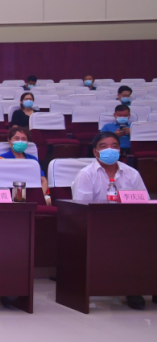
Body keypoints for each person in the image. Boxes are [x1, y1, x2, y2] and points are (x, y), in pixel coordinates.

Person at [71, 132, 147, 310]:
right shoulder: (86, 174)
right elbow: (81, 208)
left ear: (120, 150)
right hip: (96, 225)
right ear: (95, 152)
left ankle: (139, 287)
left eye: (114, 146)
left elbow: (143, 202)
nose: (110, 150)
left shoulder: (132, 173)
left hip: (128, 225)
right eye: (104, 147)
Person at [0, 126, 50, 205]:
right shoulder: (1, 159)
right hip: (11, 197)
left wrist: (40, 197)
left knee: (49, 201)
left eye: (24, 139)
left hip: (33, 194)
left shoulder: (33, 160)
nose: (20, 141)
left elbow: (43, 180)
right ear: (9, 141)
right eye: (17, 138)